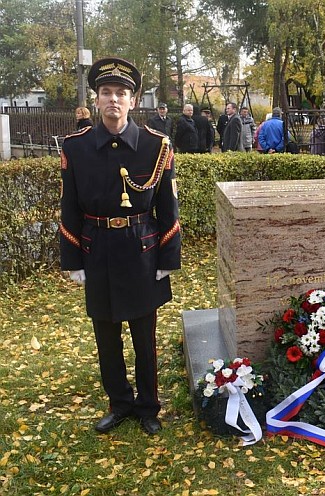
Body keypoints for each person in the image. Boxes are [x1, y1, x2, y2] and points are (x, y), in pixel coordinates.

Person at [59, 57, 181, 435]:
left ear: (134, 100)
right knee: (106, 335)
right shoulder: (76, 147)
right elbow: (69, 205)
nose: (114, 99)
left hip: (142, 249)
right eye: (107, 93)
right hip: (97, 250)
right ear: (96, 100)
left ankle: (148, 407)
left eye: (122, 93)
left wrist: (168, 256)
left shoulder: (155, 145)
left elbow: (167, 204)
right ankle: (119, 403)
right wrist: (72, 257)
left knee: (145, 337)